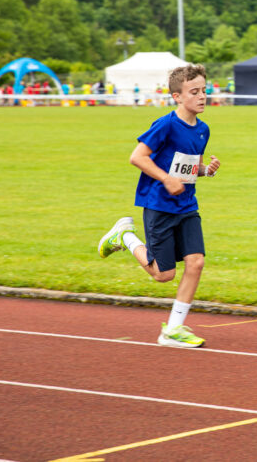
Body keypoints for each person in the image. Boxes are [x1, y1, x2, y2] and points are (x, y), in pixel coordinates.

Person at [96, 65, 221, 348]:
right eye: (194, 92)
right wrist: (165, 179)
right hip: (160, 204)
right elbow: (137, 157)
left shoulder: (203, 130)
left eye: (204, 90)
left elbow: (187, 169)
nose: (202, 96)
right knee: (163, 274)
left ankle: (173, 330)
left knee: (196, 262)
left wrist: (205, 171)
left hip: (187, 205)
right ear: (177, 96)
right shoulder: (165, 125)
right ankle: (124, 237)